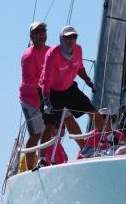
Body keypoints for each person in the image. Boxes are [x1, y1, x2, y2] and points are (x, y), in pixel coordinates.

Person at [37, 25, 103, 166]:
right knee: (50, 124)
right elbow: (46, 81)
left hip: (68, 88)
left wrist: (87, 80)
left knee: (92, 111)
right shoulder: (53, 54)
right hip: (51, 92)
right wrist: (47, 101)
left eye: (74, 37)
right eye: (67, 37)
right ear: (62, 39)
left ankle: (108, 140)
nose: (71, 40)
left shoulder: (78, 50)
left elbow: (79, 67)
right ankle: (42, 159)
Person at [19, 21, 49, 170]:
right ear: (32, 36)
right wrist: (46, 83)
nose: (41, 33)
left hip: (46, 98)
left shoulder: (50, 52)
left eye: (43, 30)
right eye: (37, 31)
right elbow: (28, 81)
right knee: (36, 134)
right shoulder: (28, 56)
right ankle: (29, 167)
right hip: (30, 100)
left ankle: (43, 160)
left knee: (57, 125)